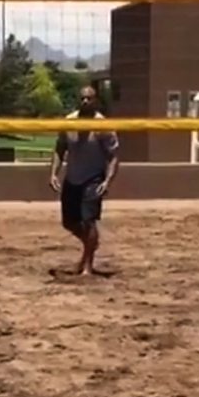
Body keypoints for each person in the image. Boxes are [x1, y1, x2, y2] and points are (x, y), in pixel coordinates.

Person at [48, 86, 119, 276]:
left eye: (89, 99)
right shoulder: (69, 122)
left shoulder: (103, 125)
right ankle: (91, 243)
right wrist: (54, 173)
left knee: (89, 221)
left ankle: (87, 265)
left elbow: (113, 156)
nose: (85, 102)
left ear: (96, 101)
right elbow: (59, 148)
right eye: (82, 98)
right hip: (72, 178)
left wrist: (108, 181)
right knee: (69, 222)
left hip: (93, 178)